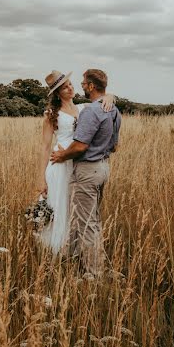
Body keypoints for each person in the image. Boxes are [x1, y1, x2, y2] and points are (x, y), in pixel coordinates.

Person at [50, 69, 121, 278]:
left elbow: (80, 146)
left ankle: (93, 273)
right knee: (88, 218)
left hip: (88, 170)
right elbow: (115, 145)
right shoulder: (114, 110)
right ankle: (72, 259)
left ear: (91, 86)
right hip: (103, 167)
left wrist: (63, 156)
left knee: (87, 223)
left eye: (83, 82)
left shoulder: (91, 111)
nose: (80, 85)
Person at [36, 70, 114, 254]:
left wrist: (110, 96)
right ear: (57, 93)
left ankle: (75, 248)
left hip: (77, 161)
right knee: (59, 202)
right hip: (59, 162)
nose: (70, 88)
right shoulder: (51, 114)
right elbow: (45, 147)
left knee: (74, 205)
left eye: (70, 84)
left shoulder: (82, 108)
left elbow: (102, 97)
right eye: (64, 87)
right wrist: (40, 179)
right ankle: (56, 249)